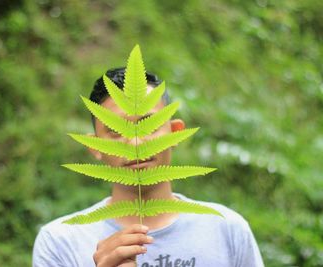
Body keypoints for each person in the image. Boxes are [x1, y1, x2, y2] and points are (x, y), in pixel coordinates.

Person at [32, 67, 265, 267]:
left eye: (148, 125)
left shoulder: (226, 229)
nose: (134, 142)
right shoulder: (61, 240)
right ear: (95, 146)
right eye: (115, 130)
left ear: (175, 133)